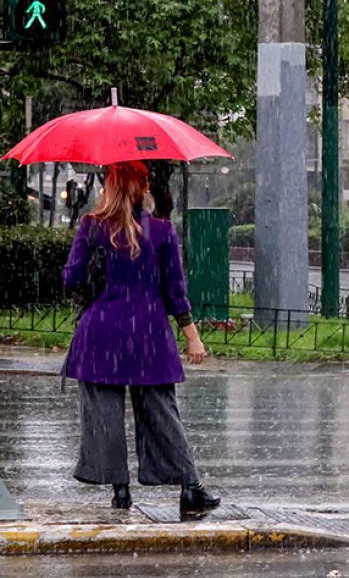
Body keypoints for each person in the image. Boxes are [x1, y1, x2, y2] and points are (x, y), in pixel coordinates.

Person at [62, 160, 220, 514]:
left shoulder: (91, 227)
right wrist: (193, 337)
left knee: (104, 414)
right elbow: (174, 291)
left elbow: (71, 279)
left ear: (110, 187)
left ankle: (120, 490)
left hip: (100, 334)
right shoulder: (163, 231)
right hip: (148, 335)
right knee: (162, 413)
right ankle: (189, 488)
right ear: (142, 188)